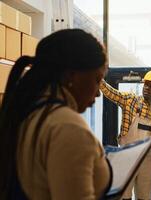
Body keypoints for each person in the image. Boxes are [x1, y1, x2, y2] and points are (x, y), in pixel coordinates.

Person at [0, 29, 110, 199]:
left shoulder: (29, 112)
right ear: (71, 75)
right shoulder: (69, 128)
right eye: (97, 79)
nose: (97, 93)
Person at [100, 70, 151, 200]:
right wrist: (98, 78)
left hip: (146, 160)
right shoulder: (130, 100)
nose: (147, 88)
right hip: (126, 156)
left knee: (144, 197)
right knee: (125, 197)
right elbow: (111, 93)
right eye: (146, 84)